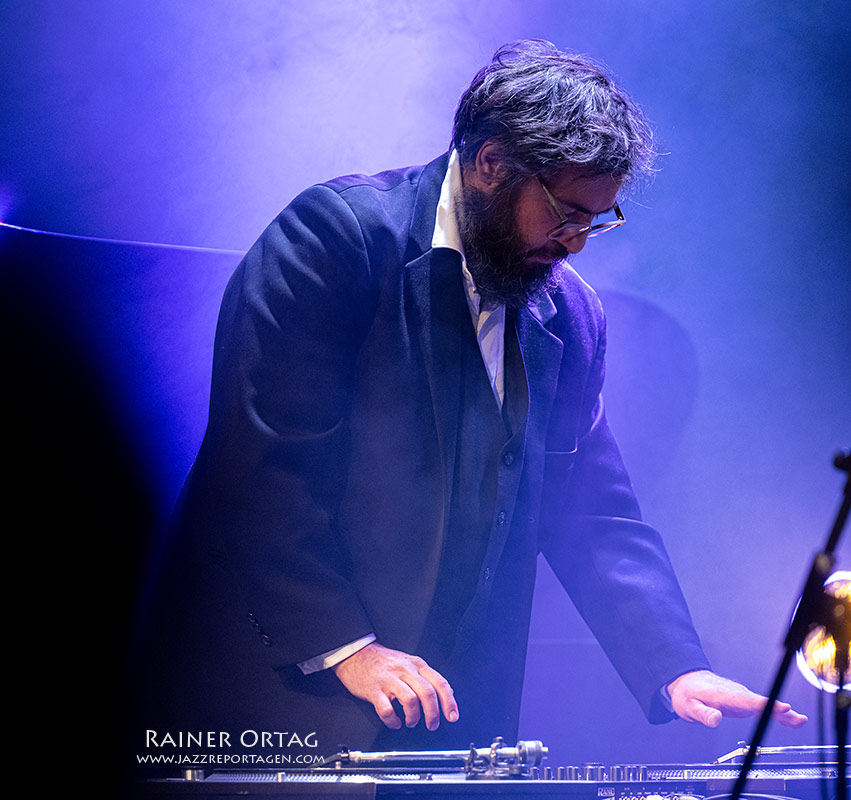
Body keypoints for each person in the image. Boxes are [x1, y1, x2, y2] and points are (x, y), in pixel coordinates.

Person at [137, 40, 804, 755]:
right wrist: (348, 647)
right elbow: (264, 469)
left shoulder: (572, 318)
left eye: (596, 220)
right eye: (566, 212)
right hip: (288, 702)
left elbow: (594, 511)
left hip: (449, 718)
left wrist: (675, 668)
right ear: (491, 164)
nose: (577, 244)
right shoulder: (337, 238)